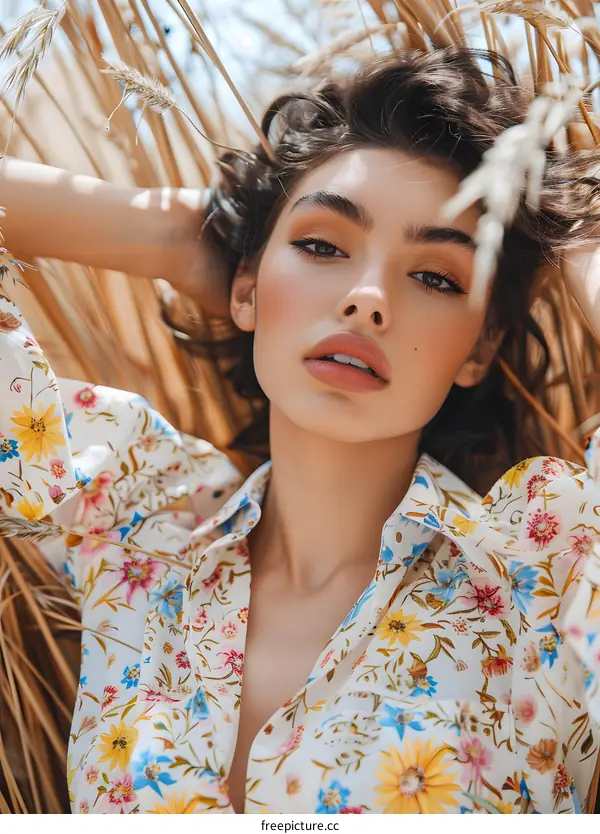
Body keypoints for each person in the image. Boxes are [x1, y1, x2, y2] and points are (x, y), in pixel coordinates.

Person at [1, 46, 600, 815]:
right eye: (321, 245)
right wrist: (181, 237)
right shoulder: (138, 524)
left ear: (480, 347)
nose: (368, 298)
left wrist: (577, 246)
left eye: (435, 276)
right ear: (247, 286)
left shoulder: (541, 577)